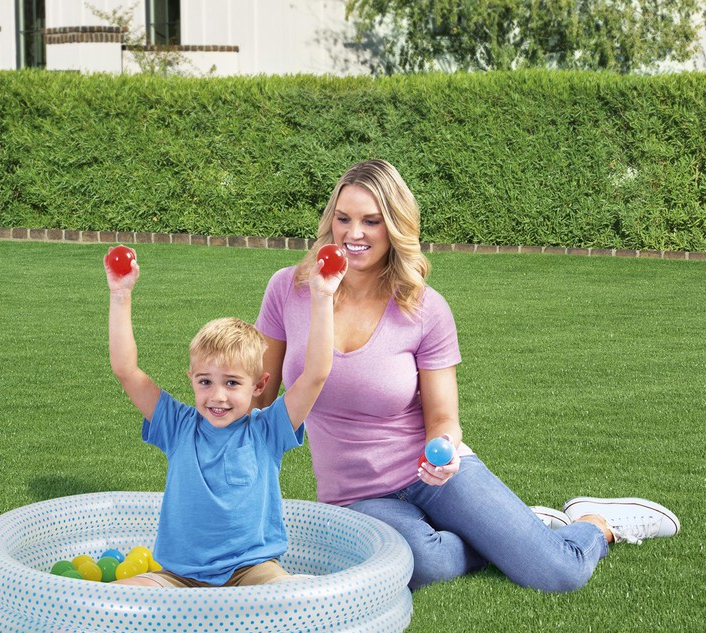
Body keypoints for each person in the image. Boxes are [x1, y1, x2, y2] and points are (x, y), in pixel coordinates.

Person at [254, 159, 680, 592]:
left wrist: (443, 448)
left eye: (371, 221)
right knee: (423, 567)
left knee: (560, 573)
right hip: (356, 496)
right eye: (343, 219)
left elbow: (443, 417)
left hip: (430, 472)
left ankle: (597, 523)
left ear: (396, 227)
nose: (354, 233)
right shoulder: (290, 289)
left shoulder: (424, 308)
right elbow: (259, 397)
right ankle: (522, 527)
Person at [105, 248, 345, 587]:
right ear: (191, 379)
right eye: (206, 382)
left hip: (252, 571)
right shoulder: (177, 426)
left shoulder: (267, 431)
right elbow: (126, 370)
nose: (217, 396)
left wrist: (322, 297)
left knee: (294, 596)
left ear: (259, 384)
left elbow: (316, 374)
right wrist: (120, 294)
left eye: (232, 383)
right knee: (114, 597)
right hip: (179, 576)